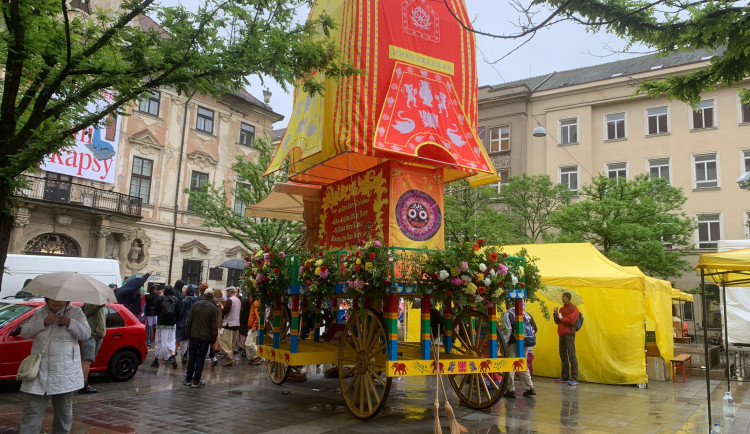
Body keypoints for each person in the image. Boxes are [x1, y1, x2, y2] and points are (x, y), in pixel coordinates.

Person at [19, 298, 91, 434]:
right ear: (47, 299)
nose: (56, 302)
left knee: (63, 412)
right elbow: (25, 332)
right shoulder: (40, 312)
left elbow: (86, 334)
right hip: (39, 371)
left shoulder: (76, 312)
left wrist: (70, 322)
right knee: (32, 411)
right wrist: (42, 322)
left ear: (67, 299)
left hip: (65, 372)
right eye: (52, 299)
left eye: (60, 300)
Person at [500, 301, 537, 398]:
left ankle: (510, 389)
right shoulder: (526, 314)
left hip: (512, 343)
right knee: (522, 363)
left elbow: (507, 331)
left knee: (510, 364)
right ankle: (529, 387)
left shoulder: (507, 314)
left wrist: (503, 344)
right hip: (525, 342)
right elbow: (535, 329)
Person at [183, 288, 219, 388]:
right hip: (205, 337)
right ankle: (196, 381)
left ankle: (188, 379)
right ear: (211, 297)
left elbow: (188, 320)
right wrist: (213, 340)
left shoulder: (196, 305)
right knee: (201, 358)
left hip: (194, 335)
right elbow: (214, 326)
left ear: (203, 295)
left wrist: (188, 333)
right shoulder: (212, 308)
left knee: (192, 357)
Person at [553, 292, 580, 386]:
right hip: (561, 334)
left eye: (564, 297)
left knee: (571, 356)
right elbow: (557, 321)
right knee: (563, 355)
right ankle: (565, 377)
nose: (562, 298)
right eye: (562, 297)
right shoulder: (561, 308)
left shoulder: (574, 308)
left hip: (569, 334)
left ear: (568, 298)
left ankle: (575, 378)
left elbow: (571, 321)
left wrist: (562, 317)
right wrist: (555, 314)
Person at [79, 303, 106, 394]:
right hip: (90, 336)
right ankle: (83, 384)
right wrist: (102, 302)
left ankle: (84, 382)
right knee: (87, 359)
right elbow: (91, 309)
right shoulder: (90, 304)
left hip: (98, 335)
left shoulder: (99, 305)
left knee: (89, 360)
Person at [152, 285, 179, 368]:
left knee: (158, 341)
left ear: (164, 292)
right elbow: (178, 311)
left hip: (161, 323)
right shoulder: (176, 299)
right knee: (171, 340)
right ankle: (173, 357)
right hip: (171, 324)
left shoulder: (159, 299)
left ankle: (156, 360)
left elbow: (155, 310)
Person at [176, 284, 200, 364]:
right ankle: (191, 355)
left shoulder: (184, 300)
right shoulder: (198, 300)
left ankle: (184, 355)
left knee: (184, 339)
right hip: (195, 322)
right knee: (191, 340)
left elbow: (181, 312)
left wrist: (178, 320)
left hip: (184, 322)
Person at [218, 287, 241, 366]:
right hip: (236, 324)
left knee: (222, 340)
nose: (227, 293)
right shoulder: (238, 300)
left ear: (230, 292)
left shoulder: (230, 300)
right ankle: (229, 359)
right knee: (231, 343)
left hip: (228, 324)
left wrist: (221, 307)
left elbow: (225, 311)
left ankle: (229, 356)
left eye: (227, 292)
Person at [244, 296, 262, 365]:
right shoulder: (255, 303)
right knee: (249, 343)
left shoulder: (256, 303)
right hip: (253, 327)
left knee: (249, 343)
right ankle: (255, 357)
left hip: (254, 328)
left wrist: (254, 326)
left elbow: (258, 317)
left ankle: (257, 357)